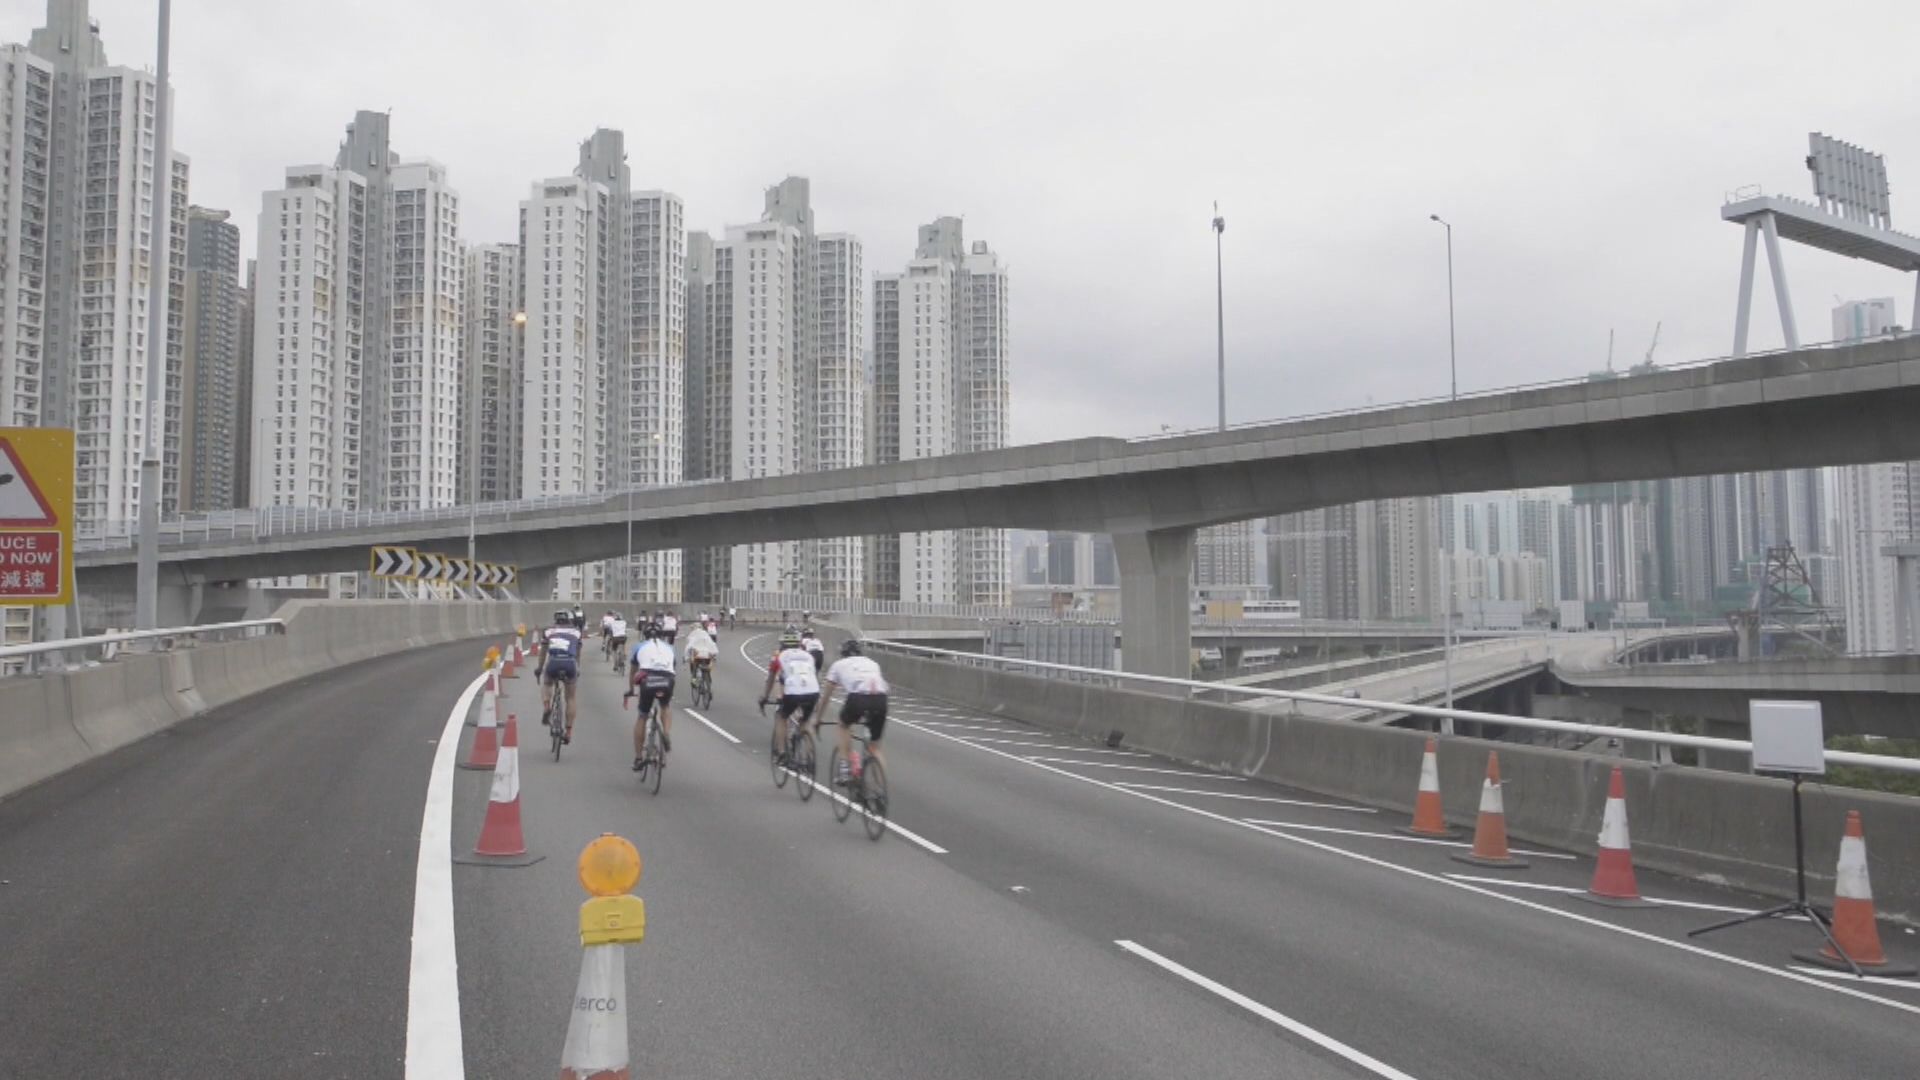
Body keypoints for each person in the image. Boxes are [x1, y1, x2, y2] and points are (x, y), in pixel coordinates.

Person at [819, 639, 890, 779]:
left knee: (843, 725)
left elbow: (826, 696)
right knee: (874, 748)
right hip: (881, 699)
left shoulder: (838, 664)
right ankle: (881, 785)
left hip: (858, 697)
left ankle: (844, 767)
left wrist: (818, 718)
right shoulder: (872, 663)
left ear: (843, 654)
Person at [759, 628, 820, 764]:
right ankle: (809, 757)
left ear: (782, 644)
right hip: (813, 691)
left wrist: (764, 697)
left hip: (793, 691)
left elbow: (771, 680)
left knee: (782, 716)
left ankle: (782, 753)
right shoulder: (809, 656)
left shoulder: (779, 656)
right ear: (799, 643)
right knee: (805, 721)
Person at [625, 625, 678, 767]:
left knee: (642, 716)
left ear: (645, 635)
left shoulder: (638, 646)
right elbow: (673, 669)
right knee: (665, 706)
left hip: (648, 679)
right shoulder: (670, 647)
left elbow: (633, 672)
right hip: (667, 679)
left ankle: (638, 758)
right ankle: (666, 733)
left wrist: (631, 690)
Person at [538, 609, 583, 743]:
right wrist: (577, 668)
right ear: (570, 620)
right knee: (570, 698)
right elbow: (578, 653)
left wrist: (539, 668)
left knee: (547, 683)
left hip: (554, 662)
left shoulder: (548, 631)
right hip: (570, 663)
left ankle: (547, 706)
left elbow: (543, 653)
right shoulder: (577, 632)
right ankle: (568, 732)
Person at [683, 619, 718, 694]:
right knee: (707, 667)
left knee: (693, 665)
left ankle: (694, 680)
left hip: (697, 656)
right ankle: (708, 682)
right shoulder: (705, 633)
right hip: (707, 655)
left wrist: (686, 657)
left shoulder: (692, 634)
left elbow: (688, 647)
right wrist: (714, 654)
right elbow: (712, 644)